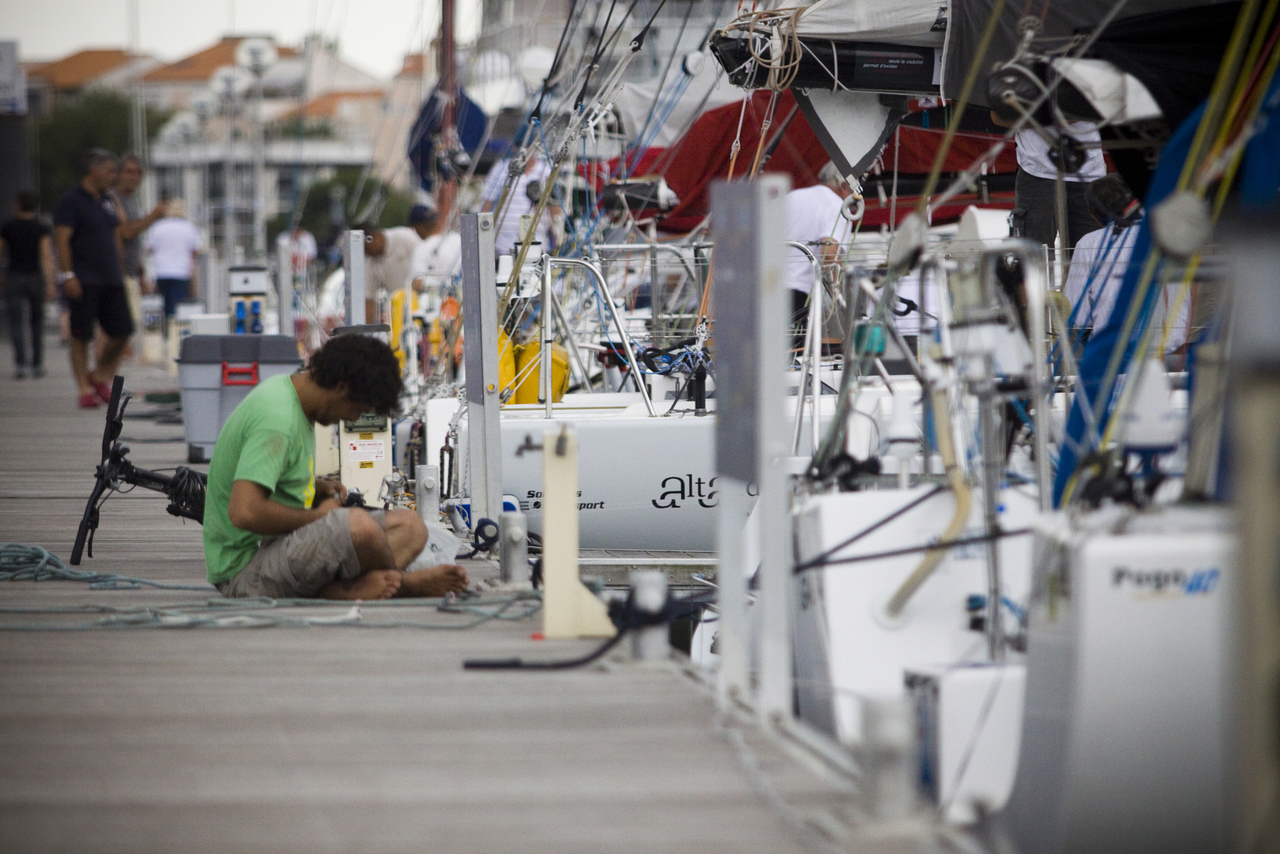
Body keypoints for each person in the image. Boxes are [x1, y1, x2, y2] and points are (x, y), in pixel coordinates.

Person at [204, 333, 470, 600]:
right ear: (341, 387)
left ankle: (348, 587)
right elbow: (244, 513)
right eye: (359, 408)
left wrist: (315, 488)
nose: (353, 418)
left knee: (411, 526)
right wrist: (319, 517)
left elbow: (271, 479)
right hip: (247, 574)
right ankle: (404, 584)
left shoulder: (292, 397)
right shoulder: (278, 419)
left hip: (282, 550)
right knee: (358, 526)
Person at [1063, 174, 1188, 354]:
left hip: (1115, 355)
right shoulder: (1169, 233)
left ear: (1097, 215)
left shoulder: (1089, 244)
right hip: (1174, 351)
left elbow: (1078, 315)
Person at [53, 149, 134, 409]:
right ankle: (83, 388)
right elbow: (62, 239)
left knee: (123, 329)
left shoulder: (108, 201)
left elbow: (117, 235)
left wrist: (121, 269)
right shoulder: (71, 201)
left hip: (110, 277)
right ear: (94, 171)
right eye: (110, 171)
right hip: (83, 277)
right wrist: (67, 275)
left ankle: (99, 375)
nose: (114, 176)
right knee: (81, 334)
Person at [992, 114, 1105, 253]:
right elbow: (998, 116)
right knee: (1035, 259)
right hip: (1037, 172)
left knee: (1092, 258)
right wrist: (1051, 117)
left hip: (1090, 170)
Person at [785, 162, 855, 346]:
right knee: (795, 363)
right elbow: (829, 254)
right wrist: (838, 296)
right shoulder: (837, 206)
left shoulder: (791, 197)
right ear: (844, 186)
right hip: (798, 296)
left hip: (765, 289)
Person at [0, 191, 56, 378]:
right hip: (35, 278)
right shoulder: (41, 227)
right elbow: (46, 256)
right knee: (36, 322)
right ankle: (37, 364)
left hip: (14, 276)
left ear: (17, 205)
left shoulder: (8, 227)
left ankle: (21, 364)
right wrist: (50, 283)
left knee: (16, 322)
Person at [112, 154, 167, 342]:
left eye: (138, 173)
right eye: (128, 171)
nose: (133, 177)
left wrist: (140, 272)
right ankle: (109, 370)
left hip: (129, 272)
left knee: (126, 329)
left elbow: (134, 239)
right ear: (118, 174)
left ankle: (113, 369)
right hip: (116, 272)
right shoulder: (114, 198)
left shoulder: (132, 200)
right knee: (119, 331)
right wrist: (153, 216)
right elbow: (125, 232)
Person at [480, 151, 559, 257]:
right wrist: (486, 245)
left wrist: (557, 241)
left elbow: (555, 210)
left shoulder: (546, 171)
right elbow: (486, 207)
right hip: (502, 244)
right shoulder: (501, 169)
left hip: (538, 243)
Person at [143, 198, 202, 324]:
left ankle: (163, 334)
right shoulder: (189, 227)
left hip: (161, 272)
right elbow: (195, 251)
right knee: (176, 308)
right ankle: (174, 334)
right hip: (181, 273)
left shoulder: (158, 227)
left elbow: (148, 248)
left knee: (160, 308)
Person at [408, 201, 462, 290]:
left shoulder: (422, 249)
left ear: (418, 227)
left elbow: (417, 283)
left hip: (443, 302)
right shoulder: (458, 239)